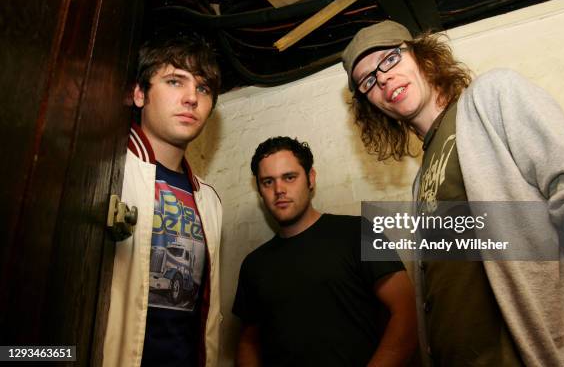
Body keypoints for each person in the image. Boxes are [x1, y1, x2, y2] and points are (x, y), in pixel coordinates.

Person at [342, 20, 564, 366]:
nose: (381, 79)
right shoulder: (421, 178)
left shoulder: (492, 96)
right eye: (368, 81)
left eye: (390, 59)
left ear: (422, 55)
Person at [232, 136, 418, 366]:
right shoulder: (254, 265)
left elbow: (407, 312)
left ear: (310, 178)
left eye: (289, 177)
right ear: (259, 189)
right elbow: (249, 342)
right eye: (268, 182)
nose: (279, 189)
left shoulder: (360, 233)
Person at [102, 33, 223, 367]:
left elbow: (207, 311)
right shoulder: (105, 172)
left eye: (203, 88)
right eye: (174, 81)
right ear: (139, 94)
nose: (191, 98)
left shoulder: (209, 199)